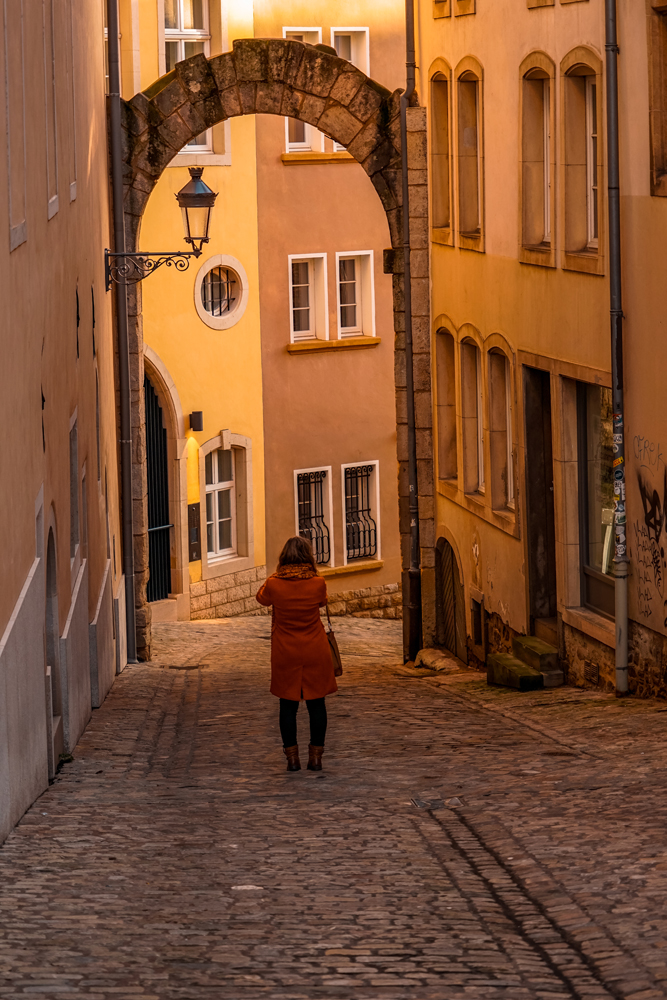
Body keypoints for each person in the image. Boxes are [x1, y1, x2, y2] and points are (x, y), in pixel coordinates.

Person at [256, 536, 337, 772]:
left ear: (284, 557)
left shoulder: (274, 583)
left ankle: (292, 759)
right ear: (308, 557)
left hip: (285, 651)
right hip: (315, 648)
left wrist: (275, 575)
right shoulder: (318, 582)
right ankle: (316, 758)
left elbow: (261, 599)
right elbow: (322, 603)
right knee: (317, 705)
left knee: (287, 706)